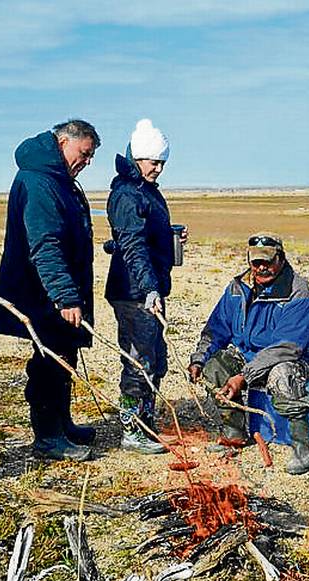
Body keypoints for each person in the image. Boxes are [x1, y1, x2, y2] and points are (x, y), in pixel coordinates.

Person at [0, 120, 99, 461]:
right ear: (63, 141)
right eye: (84, 153)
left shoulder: (60, 179)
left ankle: (62, 423)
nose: (86, 162)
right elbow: (45, 244)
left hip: (55, 288)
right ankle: (47, 436)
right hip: (43, 293)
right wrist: (65, 296)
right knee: (49, 360)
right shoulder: (40, 180)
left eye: (91, 156)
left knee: (64, 356)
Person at [187, 233, 309, 475]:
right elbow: (215, 330)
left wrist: (244, 376)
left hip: (289, 359)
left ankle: (303, 447)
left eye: (267, 261)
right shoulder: (237, 288)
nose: (261, 267)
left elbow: (287, 347)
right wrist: (198, 360)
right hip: (246, 355)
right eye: (256, 262)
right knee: (214, 367)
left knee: (282, 374)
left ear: (281, 259)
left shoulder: (298, 293)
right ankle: (234, 435)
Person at [104, 119, 184, 455]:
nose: (159, 168)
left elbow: (131, 240)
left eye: (163, 162)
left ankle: (145, 421)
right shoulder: (127, 194)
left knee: (153, 356)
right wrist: (150, 288)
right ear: (137, 158)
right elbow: (133, 245)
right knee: (139, 360)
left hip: (145, 287)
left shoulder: (147, 191)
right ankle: (131, 429)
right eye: (154, 162)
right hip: (135, 292)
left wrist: (168, 236)